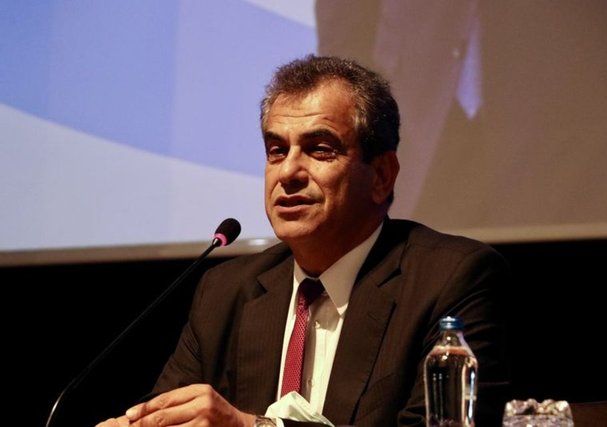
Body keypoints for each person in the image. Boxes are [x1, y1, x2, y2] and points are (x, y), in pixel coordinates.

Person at [97, 55, 510, 427]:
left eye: (320, 149)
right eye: (276, 151)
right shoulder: (225, 292)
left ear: (382, 176)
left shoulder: (451, 280)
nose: (288, 173)